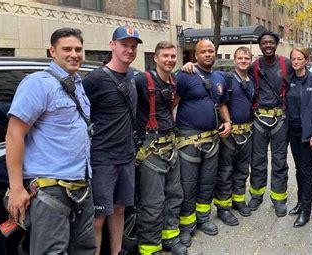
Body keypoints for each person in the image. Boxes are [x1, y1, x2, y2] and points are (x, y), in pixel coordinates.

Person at [5, 27, 96, 254]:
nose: (74, 54)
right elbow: (14, 134)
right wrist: (16, 188)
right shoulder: (38, 83)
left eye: (78, 49)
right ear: (52, 52)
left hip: (82, 184)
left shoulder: (78, 84)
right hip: (50, 190)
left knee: (84, 248)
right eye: (67, 49)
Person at [83, 26, 141, 254]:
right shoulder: (95, 79)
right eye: (124, 45)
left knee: (119, 210)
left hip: (126, 157)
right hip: (102, 160)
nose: (129, 50)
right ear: (112, 46)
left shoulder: (133, 76)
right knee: (98, 217)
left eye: (133, 46)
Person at [175, 40, 231, 247]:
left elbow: (222, 103)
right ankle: (187, 227)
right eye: (203, 52)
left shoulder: (219, 78)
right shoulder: (185, 75)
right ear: (195, 55)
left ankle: (204, 219)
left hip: (212, 140)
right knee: (188, 185)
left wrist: (228, 121)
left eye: (211, 51)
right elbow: (171, 103)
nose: (208, 54)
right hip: (189, 141)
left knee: (207, 183)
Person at [134, 41, 187, 255]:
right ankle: (149, 247)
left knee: (174, 194)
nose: (170, 60)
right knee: (153, 201)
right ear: (155, 58)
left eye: (173, 56)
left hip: (171, 144)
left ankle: (170, 238)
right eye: (165, 56)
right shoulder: (140, 81)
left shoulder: (173, 81)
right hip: (150, 148)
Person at [247, 31, 293, 217]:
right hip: (259, 119)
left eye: (271, 43)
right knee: (257, 160)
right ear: (260, 46)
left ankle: (279, 198)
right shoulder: (253, 66)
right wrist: (191, 64)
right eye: (264, 43)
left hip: (280, 119)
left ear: (276, 45)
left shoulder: (286, 64)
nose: (268, 45)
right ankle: (256, 195)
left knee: (279, 160)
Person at [213, 47, 255, 226]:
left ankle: (238, 200)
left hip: (247, 132)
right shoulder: (226, 78)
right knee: (225, 171)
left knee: (242, 169)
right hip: (230, 134)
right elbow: (221, 102)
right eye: (240, 58)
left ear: (250, 59)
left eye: (246, 58)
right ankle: (223, 208)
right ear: (234, 59)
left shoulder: (252, 81)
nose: (243, 61)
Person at [285, 47, 312, 227]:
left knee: (307, 170)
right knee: (298, 169)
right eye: (293, 59)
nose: (296, 62)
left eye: (299, 58)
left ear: (306, 60)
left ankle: (305, 211)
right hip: (293, 132)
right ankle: (300, 202)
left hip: (308, 134)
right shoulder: (289, 80)